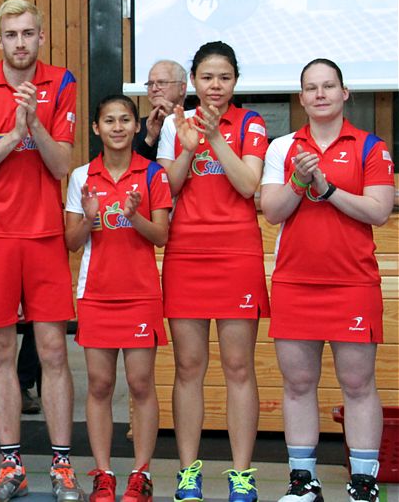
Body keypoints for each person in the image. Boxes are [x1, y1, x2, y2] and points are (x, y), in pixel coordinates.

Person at [0, 0, 83, 502]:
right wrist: (14, 134)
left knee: (52, 351)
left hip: (45, 234)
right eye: (12, 35)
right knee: (1, 352)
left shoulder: (62, 82)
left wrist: (37, 125)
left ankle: (62, 465)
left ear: (42, 38)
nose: (21, 42)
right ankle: (11, 466)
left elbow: (60, 164)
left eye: (29, 33)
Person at [260, 59, 395, 502]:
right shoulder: (283, 147)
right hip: (295, 283)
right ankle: (303, 482)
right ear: (301, 98)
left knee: (358, 385)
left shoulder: (371, 148)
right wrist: (301, 180)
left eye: (328, 86)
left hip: (352, 283)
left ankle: (363, 483)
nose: (320, 94)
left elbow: (378, 211)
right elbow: (274, 211)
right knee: (298, 386)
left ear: (344, 93)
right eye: (311, 88)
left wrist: (329, 188)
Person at [156, 41, 269, 502]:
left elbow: (248, 184)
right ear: (194, 82)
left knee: (239, 367)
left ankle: (242, 473)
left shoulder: (251, 123)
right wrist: (185, 147)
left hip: (237, 254)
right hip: (186, 255)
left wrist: (216, 136)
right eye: (207, 77)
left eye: (224, 77)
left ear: (235, 82)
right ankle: (189, 472)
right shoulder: (172, 123)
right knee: (188, 368)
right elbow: (168, 187)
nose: (215, 86)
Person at [66, 95, 171, 502]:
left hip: (141, 294)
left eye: (125, 120)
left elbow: (161, 236)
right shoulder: (81, 177)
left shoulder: (153, 174)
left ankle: (141, 474)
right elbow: (71, 242)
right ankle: (104, 474)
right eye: (108, 120)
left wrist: (134, 216)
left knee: (141, 384)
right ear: (96, 128)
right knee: (100, 384)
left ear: (135, 126)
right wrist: (90, 217)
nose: (117, 127)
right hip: (96, 294)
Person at [133, 60, 187, 161]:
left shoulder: (195, 122)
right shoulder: (137, 127)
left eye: (162, 83)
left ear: (182, 88)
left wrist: (170, 122)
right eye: (150, 84)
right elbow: (132, 168)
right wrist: (149, 139)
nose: (154, 89)